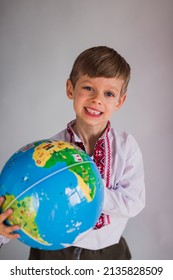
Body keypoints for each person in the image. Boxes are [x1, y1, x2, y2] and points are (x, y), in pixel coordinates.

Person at [0, 46, 145, 259]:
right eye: (88, 88)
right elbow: (18, 200)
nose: (97, 99)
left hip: (107, 254)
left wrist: (89, 191)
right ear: (70, 89)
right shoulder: (47, 152)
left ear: (120, 101)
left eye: (109, 93)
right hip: (51, 252)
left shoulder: (125, 146)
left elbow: (134, 202)